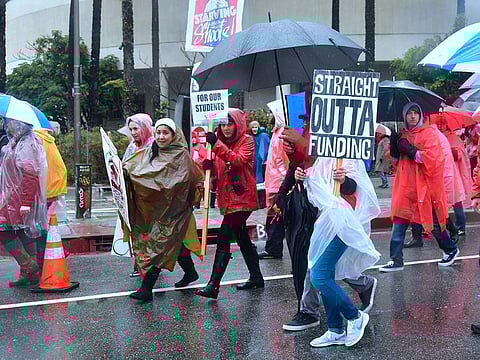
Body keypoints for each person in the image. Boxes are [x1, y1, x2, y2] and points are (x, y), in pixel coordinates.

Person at [277, 86, 378, 332]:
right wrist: (298, 170)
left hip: (341, 216)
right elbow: (311, 165)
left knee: (318, 269)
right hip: (319, 210)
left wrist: (344, 181)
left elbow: (356, 184)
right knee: (321, 266)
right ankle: (335, 326)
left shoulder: (344, 138)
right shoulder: (311, 129)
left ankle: (345, 317)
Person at [294, 157, 380, 347]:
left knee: (319, 276)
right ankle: (335, 330)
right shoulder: (323, 156)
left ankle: (355, 317)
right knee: (325, 273)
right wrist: (302, 177)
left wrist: (344, 181)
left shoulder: (349, 155)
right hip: (327, 221)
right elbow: (317, 185)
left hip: (345, 222)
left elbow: (355, 187)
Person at [123, 118, 202, 302]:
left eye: (165, 133)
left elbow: (180, 182)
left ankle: (146, 289)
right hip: (158, 210)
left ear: (174, 135)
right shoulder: (151, 151)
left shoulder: (181, 155)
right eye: (158, 132)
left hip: (176, 210)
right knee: (174, 242)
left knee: (160, 244)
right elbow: (140, 170)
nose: (161, 136)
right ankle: (190, 272)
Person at [379, 103, 459, 272]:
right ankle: (396, 259)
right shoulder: (402, 135)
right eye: (409, 113)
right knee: (399, 221)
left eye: (416, 113)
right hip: (405, 186)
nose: (413, 116)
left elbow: (434, 158)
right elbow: (395, 163)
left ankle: (450, 249)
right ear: (404, 116)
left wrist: (411, 150)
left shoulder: (429, 133)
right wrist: (394, 145)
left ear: (420, 115)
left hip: (425, 187)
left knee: (434, 223)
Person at [195, 108, 264, 299]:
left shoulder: (247, 140)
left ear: (237, 124)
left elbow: (239, 161)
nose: (226, 128)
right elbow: (220, 171)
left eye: (230, 124)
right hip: (227, 200)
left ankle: (213, 285)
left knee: (224, 236)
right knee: (242, 237)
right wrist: (208, 168)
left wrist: (216, 145)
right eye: (223, 125)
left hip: (242, 200)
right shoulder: (218, 144)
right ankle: (256, 277)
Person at [0, 118, 48, 288]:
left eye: (9, 122)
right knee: (22, 232)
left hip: (19, 198)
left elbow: (30, 174)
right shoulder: (15, 142)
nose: (7, 126)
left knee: (5, 232)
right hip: (11, 196)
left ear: (19, 124)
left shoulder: (27, 144)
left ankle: (30, 267)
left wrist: (26, 201)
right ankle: (28, 271)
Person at [116, 113, 154, 277]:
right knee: (137, 232)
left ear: (144, 128)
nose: (133, 132)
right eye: (130, 129)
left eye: (136, 128)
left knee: (153, 234)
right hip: (135, 198)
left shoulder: (154, 146)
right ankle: (141, 264)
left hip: (151, 198)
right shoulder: (132, 146)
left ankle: (150, 265)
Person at [33, 128, 69, 266]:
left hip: (43, 189)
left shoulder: (35, 139)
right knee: (46, 225)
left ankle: (48, 259)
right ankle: (57, 253)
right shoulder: (47, 139)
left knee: (41, 227)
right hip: (53, 186)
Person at [257, 101, 289, 260]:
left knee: (276, 218)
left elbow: (284, 162)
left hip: (278, 184)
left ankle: (273, 248)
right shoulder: (276, 132)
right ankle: (273, 247)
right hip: (273, 182)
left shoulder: (282, 134)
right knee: (274, 218)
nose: (270, 116)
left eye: (272, 112)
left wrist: (284, 182)